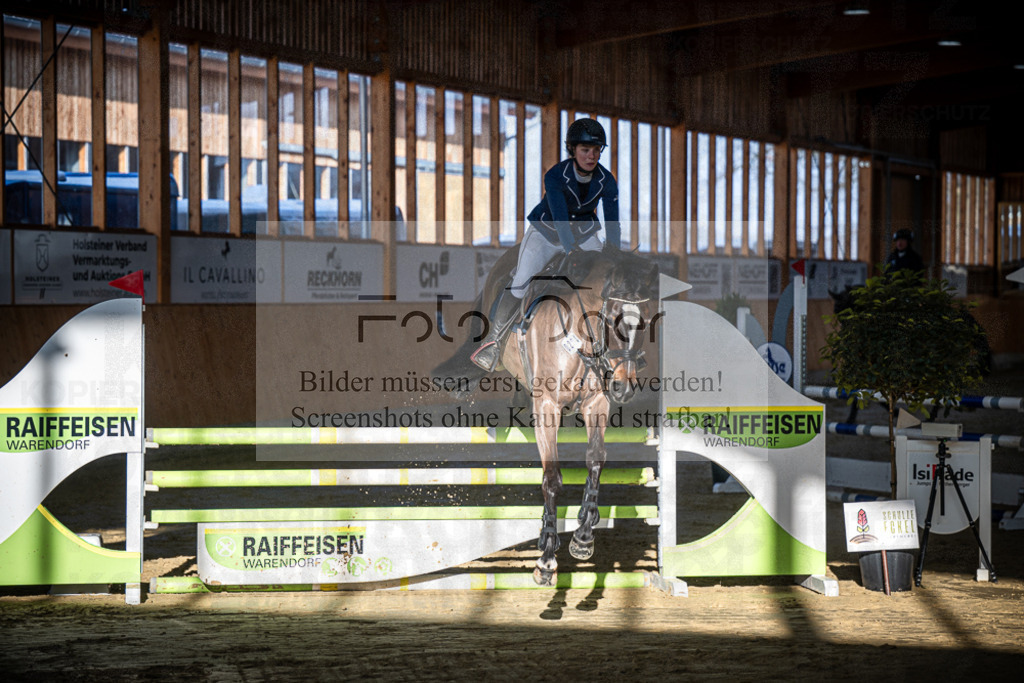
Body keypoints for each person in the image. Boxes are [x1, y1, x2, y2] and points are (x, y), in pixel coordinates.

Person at [470, 118, 621, 371]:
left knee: (605, 280)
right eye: (585, 150)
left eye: (597, 150)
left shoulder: (606, 180)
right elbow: (560, 217)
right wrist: (571, 250)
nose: (592, 156)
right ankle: (493, 342)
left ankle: (607, 347)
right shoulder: (555, 176)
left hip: (584, 235)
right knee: (521, 280)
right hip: (547, 234)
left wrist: (615, 255)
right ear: (572, 150)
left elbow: (613, 221)